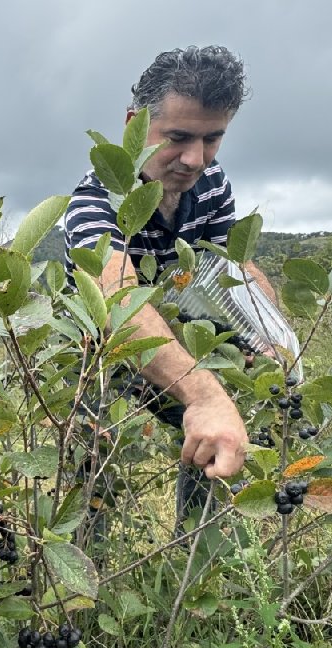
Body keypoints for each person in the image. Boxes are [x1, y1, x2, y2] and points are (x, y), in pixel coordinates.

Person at [63, 46, 277, 524]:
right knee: (89, 479)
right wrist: (204, 396)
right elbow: (119, 302)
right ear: (134, 122)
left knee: (223, 443)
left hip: (178, 342)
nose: (193, 158)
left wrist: (272, 337)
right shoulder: (95, 200)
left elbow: (236, 269)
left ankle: (197, 559)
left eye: (212, 139)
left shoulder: (212, 184)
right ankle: (83, 588)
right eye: (178, 137)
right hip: (98, 357)